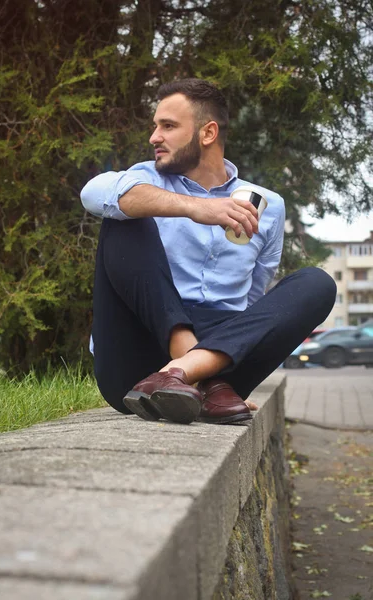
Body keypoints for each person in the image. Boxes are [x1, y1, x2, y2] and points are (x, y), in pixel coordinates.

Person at [81, 78, 336, 425]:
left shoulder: (268, 206)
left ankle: (189, 374)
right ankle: (203, 380)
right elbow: (93, 194)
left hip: (224, 356)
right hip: (134, 371)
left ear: (208, 133)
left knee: (318, 283)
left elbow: (252, 304)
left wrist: (224, 354)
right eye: (156, 126)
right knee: (125, 214)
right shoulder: (145, 180)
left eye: (168, 126)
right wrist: (197, 207)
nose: (154, 137)